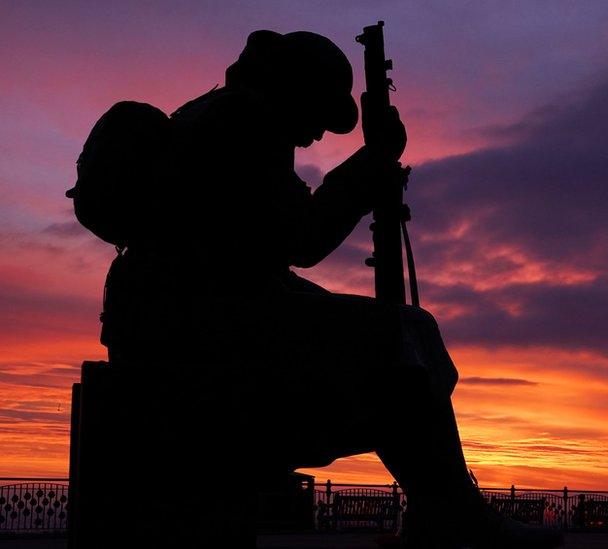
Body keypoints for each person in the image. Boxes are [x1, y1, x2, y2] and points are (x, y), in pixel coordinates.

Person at [97, 29, 561, 548]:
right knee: (406, 334)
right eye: (318, 113)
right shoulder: (245, 119)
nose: (317, 135)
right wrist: (372, 165)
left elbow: (257, 250)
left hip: (179, 322)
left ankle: (442, 506)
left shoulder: (211, 113)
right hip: (198, 334)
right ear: (295, 86)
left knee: (398, 337)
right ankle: (448, 510)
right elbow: (301, 236)